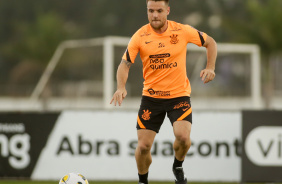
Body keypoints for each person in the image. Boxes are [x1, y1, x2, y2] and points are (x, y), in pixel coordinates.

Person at [110, 0, 217, 183]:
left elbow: (210, 43)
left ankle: (177, 166)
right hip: (151, 99)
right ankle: (143, 181)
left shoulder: (181, 31)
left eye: (159, 10)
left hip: (179, 95)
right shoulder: (140, 36)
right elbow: (124, 64)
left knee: (183, 137)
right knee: (143, 147)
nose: (155, 15)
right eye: (151, 11)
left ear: (167, 10)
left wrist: (210, 67)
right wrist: (120, 87)